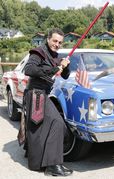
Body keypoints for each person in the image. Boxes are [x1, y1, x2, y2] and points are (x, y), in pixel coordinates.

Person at [23, 28, 73, 176]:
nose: (57, 44)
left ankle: (42, 158)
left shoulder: (55, 57)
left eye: (60, 42)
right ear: (48, 39)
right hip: (36, 94)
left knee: (41, 127)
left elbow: (65, 76)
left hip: (43, 94)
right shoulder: (38, 52)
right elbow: (29, 69)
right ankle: (53, 165)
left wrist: (65, 66)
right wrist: (55, 68)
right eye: (55, 41)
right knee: (56, 123)